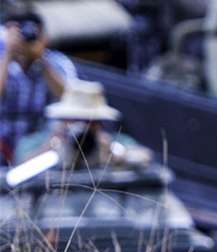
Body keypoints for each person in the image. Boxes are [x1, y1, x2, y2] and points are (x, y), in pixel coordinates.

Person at [15, 79, 150, 171]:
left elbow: (144, 157)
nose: (82, 127)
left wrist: (117, 154)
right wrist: (49, 150)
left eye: (88, 121)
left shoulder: (110, 141)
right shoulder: (43, 141)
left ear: (99, 123)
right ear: (64, 120)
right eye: (75, 120)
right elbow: (18, 169)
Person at [0, 10, 76, 165]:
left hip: (40, 147)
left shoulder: (57, 62)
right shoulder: (3, 61)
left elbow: (72, 101)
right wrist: (8, 54)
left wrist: (41, 60)